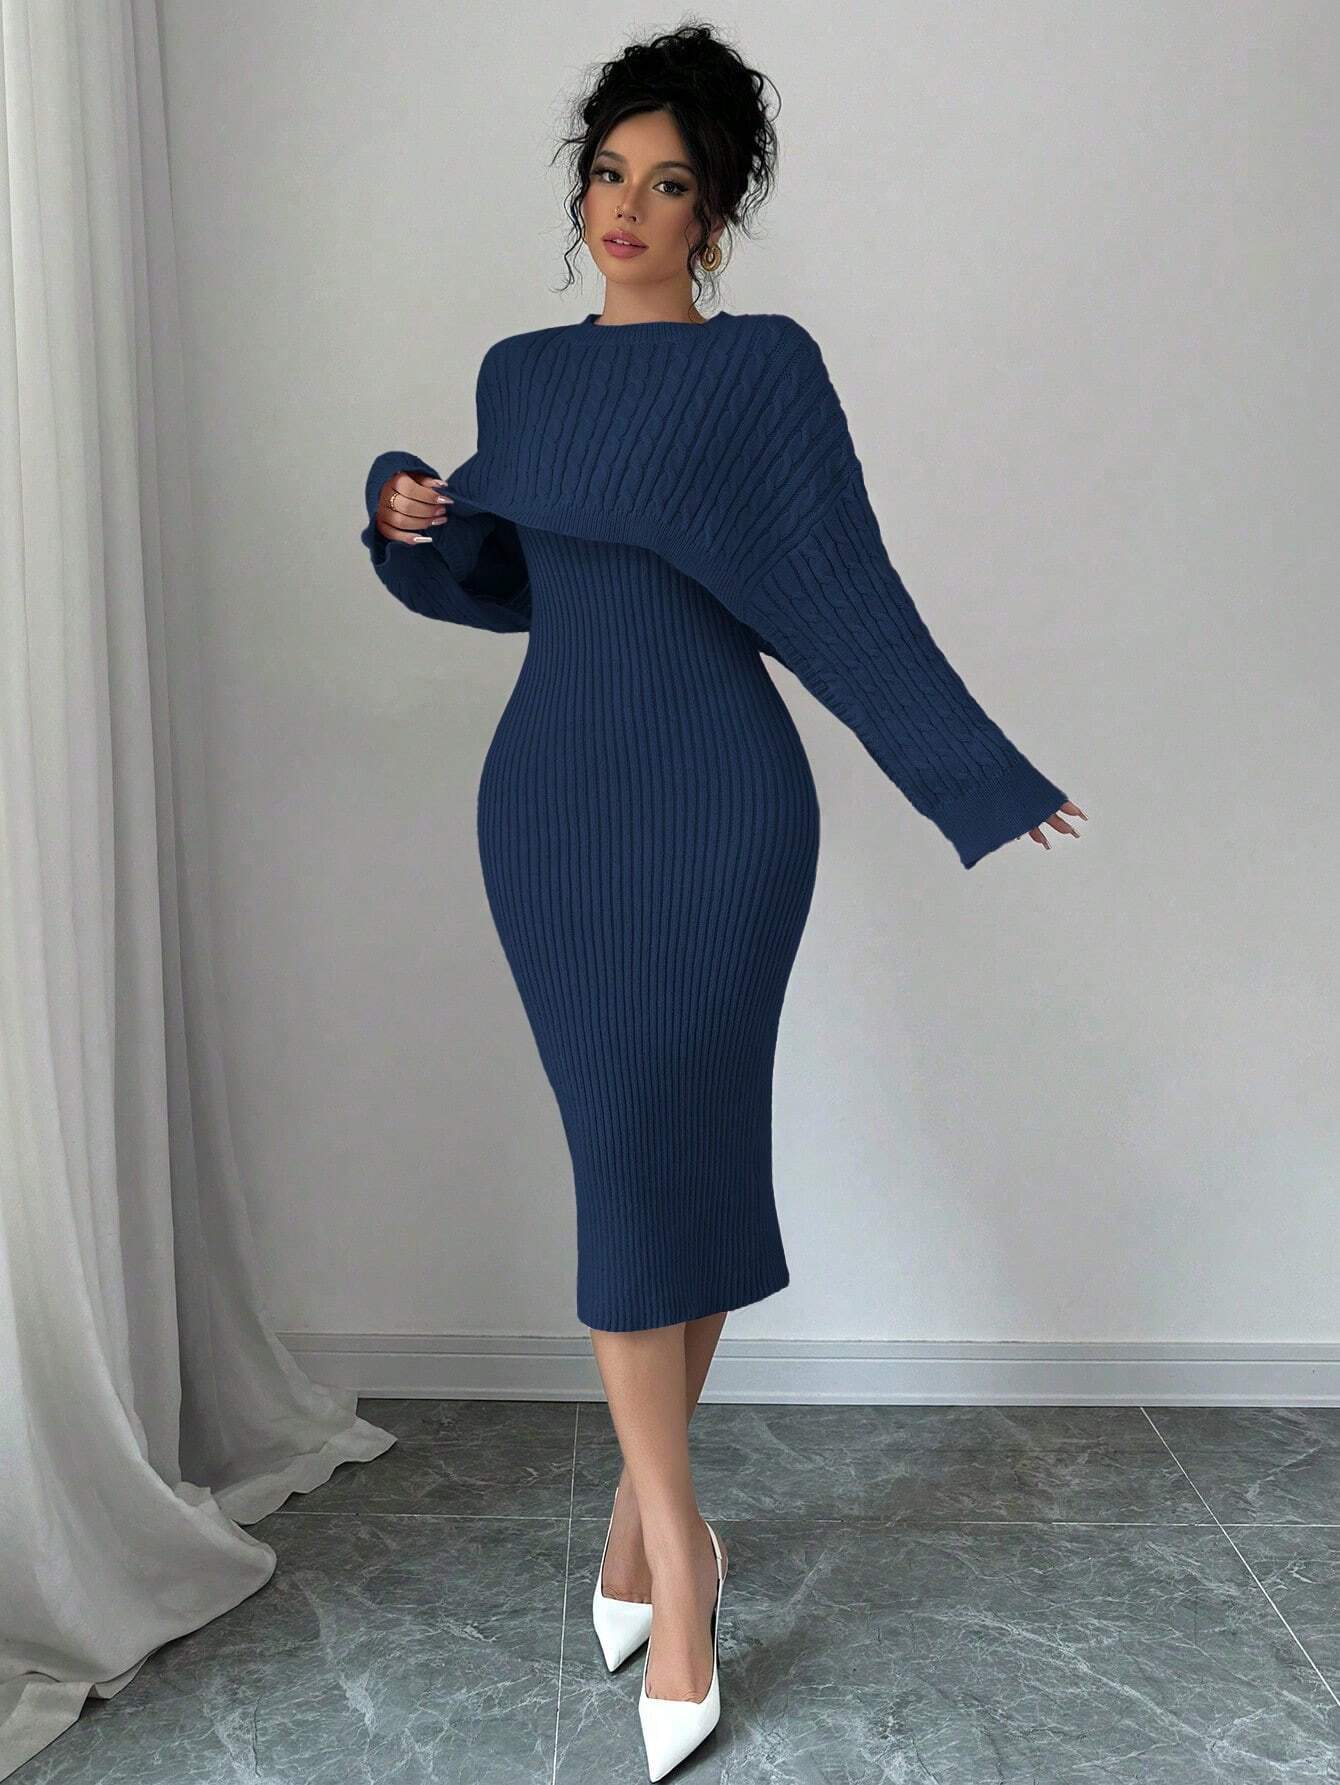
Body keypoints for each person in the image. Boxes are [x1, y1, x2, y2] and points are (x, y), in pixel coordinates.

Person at [361, 24, 1084, 1778]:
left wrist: (977, 769)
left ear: (716, 212)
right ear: (582, 195)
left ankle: (649, 1535)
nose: (628, 206)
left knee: (679, 1159)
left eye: (668, 183)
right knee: (628, 1156)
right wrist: (405, 514)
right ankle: (681, 1546)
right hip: (555, 807)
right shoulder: (525, 376)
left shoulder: (761, 371)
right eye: (608, 174)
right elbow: (505, 578)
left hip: (725, 809)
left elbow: (844, 596)